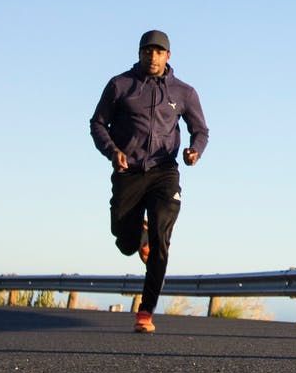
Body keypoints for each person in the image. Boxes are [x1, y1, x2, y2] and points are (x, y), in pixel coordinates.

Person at [89, 30, 209, 333]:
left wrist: (195, 150)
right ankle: (136, 236)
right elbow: (97, 123)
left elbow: (201, 130)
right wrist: (113, 151)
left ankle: (145, 311)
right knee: (125, 241)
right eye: (147, 51)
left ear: (168, 56)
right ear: (140, 53)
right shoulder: (120, 85)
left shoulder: (184, 92)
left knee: (161, 237)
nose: (152, 57)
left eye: (158, 52)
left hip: (164, 172)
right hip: (128, 171)